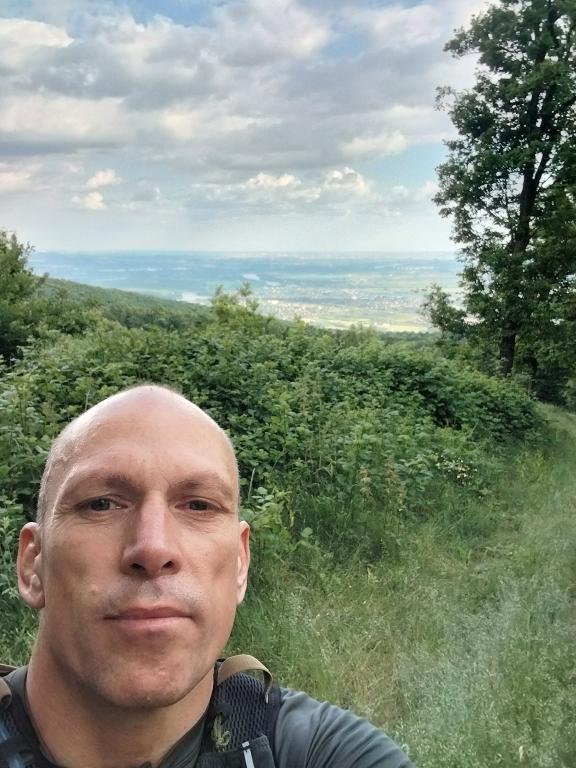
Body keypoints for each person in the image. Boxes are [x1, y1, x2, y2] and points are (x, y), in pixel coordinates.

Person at [0, 385, 414, 768]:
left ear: (240, 563)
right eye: (101, 504)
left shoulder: (323, 753)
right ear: (32, 564)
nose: (153, 548)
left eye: (198, 505)